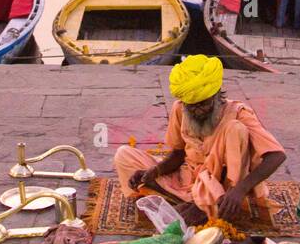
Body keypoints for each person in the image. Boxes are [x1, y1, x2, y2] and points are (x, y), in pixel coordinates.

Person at [113, 55, 286, 227]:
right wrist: (154, 171)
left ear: (217, 95)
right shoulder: (180, 108)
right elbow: (178, 153)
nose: (197, 111)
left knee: (236, 129)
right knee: (124, 155)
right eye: (191, 105)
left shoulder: (239, 113)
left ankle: (220, 203)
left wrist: (240, 190)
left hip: (223, 187)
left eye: (203, 104)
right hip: (189, 178)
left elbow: (276, 155)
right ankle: (197, 204)